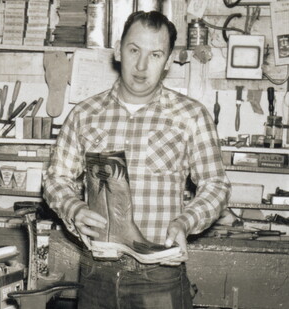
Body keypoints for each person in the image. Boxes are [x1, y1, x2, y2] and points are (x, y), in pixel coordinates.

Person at [43, 10, 231, 309]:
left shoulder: (191, 116)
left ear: (169, 61)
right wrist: (73, 208)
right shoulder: (84, 114)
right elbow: (56, 179)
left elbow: (216, 184)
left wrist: (186, 221)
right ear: (118, 51)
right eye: (134, 50)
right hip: (97, 273)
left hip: (160, 274)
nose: (142, 66)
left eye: (155, 54)